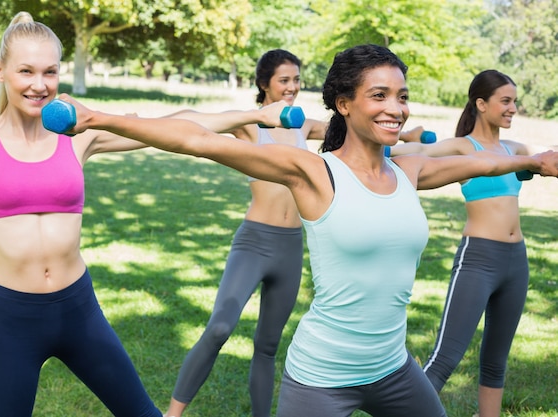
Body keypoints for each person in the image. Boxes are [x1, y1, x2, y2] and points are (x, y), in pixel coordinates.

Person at [53, 44, 558, 417]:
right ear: (344, 104)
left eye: (401, 96)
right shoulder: (314, 172)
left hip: (394, 369)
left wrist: (534, 160)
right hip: (322, 379)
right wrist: (98, 117)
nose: (395, 107)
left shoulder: (410, 170)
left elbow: (486, 167)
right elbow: (199, 141)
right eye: (378, 95)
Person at [0, 12, 162, 417]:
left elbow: (176, 126)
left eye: (50, 72)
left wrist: (252, 117)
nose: (39, 84)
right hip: (10, 320)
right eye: (26, 71)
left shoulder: (79, 137)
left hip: (78, 309)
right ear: (0, 71)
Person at [161, 49, 326, 417]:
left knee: (268, 346)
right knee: (220, 327)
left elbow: (354, 130)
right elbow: (197, 122)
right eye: (285, 80)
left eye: (297, 80)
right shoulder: (251, 125)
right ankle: (172, 414)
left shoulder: (304, 125)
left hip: (291, 247)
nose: (293, 87)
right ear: (264, 83)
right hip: (255, 241)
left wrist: (408, 134)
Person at [389, 69, 554, 417]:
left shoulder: (513, 148)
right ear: (481, 104)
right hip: (478, 259)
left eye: (514, 101)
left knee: (496, 361)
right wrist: (397, 138)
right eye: (505, 101)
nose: (513, 108)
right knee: (444, 359)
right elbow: (420, 151)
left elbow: (547, 156)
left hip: (516, 262)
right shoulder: (464, 146)